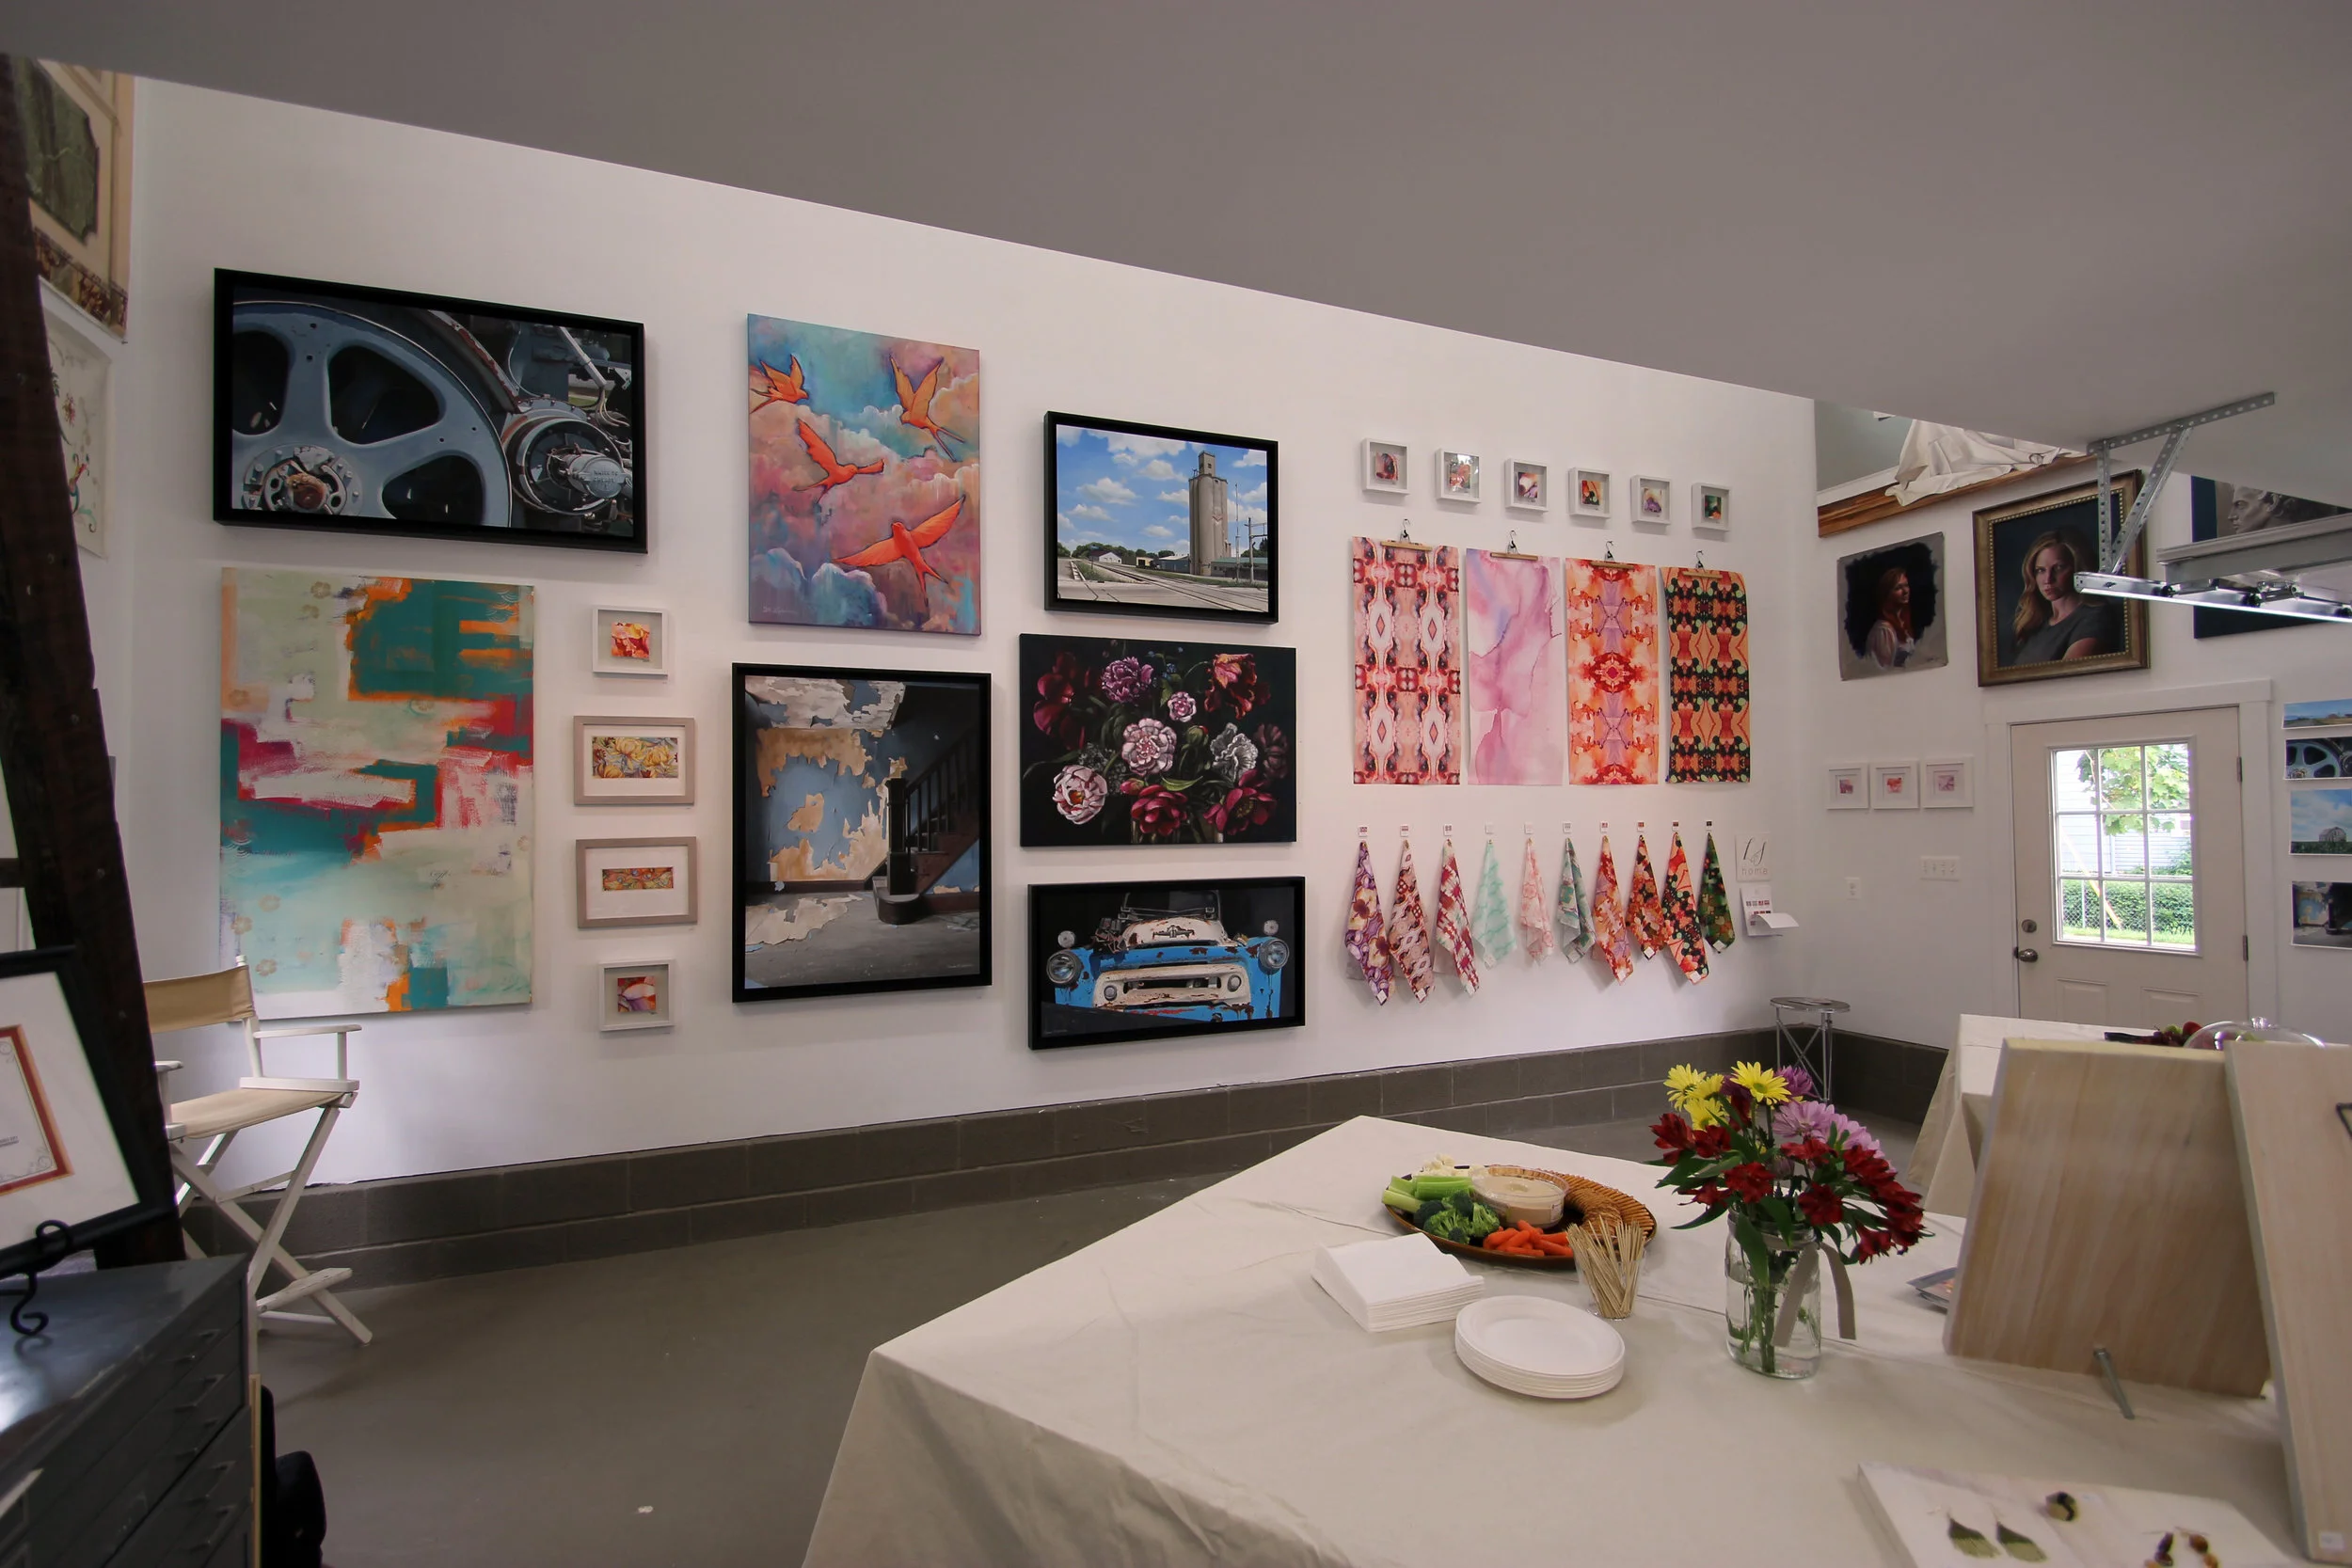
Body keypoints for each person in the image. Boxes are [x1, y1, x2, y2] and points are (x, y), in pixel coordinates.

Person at [2010, 531, 2120, 663]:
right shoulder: (2035, 624)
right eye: (2041, 570)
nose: (2048, 579)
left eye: (2058, 568)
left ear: (2076, 568)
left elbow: (2070, 672)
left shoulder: (2095, 618)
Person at [1864, 565, 1917, 670]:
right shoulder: (1883, 630)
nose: (1905, 591)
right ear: (1887, 594)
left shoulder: (1903, 622)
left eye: (1906, 585)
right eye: (1898, 588)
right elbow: (1884, 671)